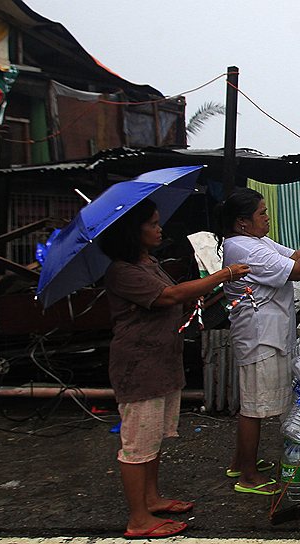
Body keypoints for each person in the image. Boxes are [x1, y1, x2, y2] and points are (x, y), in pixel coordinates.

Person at [100, 198, 250, 538]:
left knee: (153, 438)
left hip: (162, 361)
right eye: (151, 224)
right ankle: (138, 519)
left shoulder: (148, 262)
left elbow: (172, 298)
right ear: (131, 231)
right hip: (140, 365)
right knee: (137, 443)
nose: (159, 228)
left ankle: (151, 498)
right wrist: (223, 275)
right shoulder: (123, 270)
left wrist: (191, 302)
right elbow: (167, 296)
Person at [219, 187, 300, 495]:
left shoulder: (255, 241)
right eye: (261, 213)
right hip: (260, 337)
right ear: (242, 222)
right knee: (255, 406)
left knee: (255, 401)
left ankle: (241, 461)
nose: (267, 217)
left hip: (269, 332)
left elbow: (294, 256)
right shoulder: (246, 249)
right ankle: (247, 476)